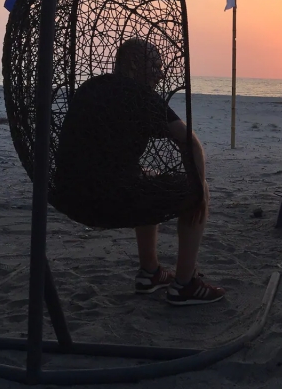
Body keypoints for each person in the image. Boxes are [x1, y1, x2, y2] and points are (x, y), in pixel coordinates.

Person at [54, 38, 225, 305]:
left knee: (148, 177)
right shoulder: (139, 96)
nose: (161, 73)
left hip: (67, 195)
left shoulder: (91, 87)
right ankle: (185, 284)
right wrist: (199, 189)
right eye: (155, 66)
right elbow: (190, 142)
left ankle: (151, 272)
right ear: (134, 64)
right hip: (108, 198)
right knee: (196, 189)